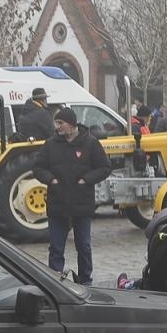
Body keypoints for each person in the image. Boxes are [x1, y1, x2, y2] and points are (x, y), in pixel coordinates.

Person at [32, 108, 112, 285]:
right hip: (57, 204)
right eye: (56, 123)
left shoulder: (90, 143)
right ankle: (55, 281)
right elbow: (38, 168)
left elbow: (104, 168)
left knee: (83, 246)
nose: (57, 126)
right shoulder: (50, 144)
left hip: (81, 204)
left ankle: (85, 280)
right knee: (56, 248)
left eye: (60, 123)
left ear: (71, 124)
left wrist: (86, 179)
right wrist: (50, 179)